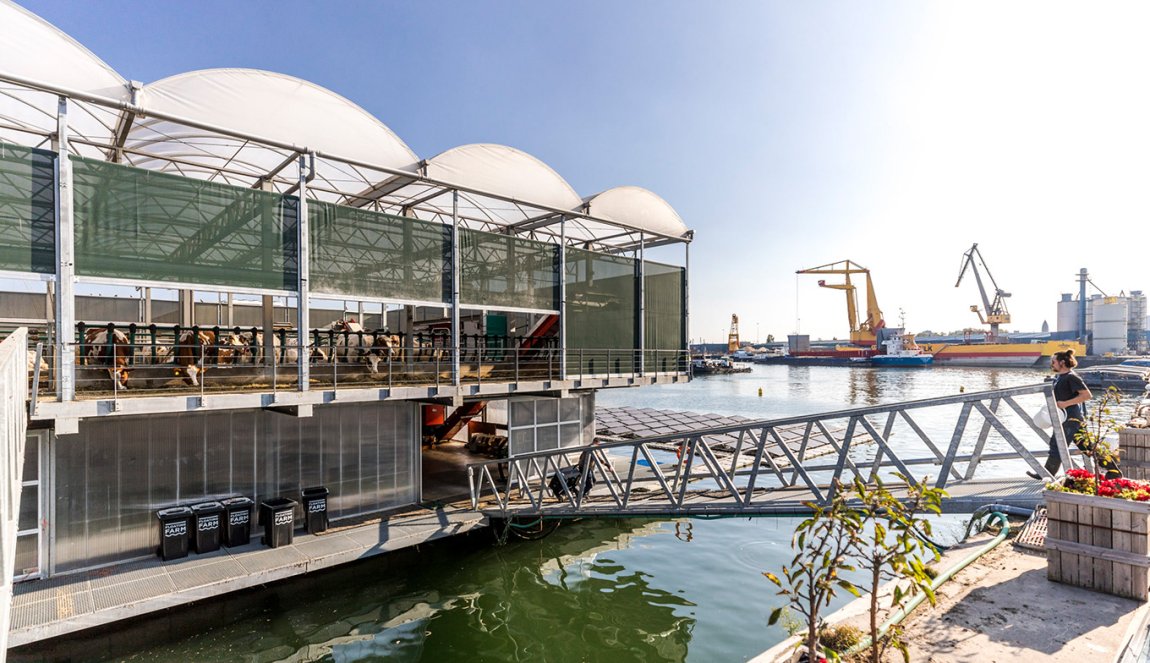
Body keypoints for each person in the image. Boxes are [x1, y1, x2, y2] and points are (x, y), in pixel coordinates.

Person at [1027, 348, 1120, 480]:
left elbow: (1086, 395)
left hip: (1071, 418)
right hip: (1066, 418)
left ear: (1062, 362)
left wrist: (1065, 403)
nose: (1051, 364)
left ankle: (1046, 475)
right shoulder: (1060, 377)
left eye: (1053, 361)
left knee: (1057, 444)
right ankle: (1114, 471)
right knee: (1087, 446)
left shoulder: (1071, 377)